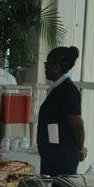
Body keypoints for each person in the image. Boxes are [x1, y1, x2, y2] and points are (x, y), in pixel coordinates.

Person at [37, 46, 87, 175]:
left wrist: (80, 149)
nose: (45, 67)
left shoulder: (68, 91)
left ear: (57, 67)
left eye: (47, 63)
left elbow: (78, 125)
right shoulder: (58, 88)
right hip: (53, 155)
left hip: (62, 158)